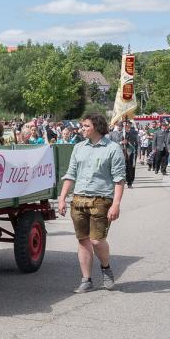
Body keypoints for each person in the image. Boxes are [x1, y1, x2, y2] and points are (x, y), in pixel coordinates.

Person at [57, 114, 126, 293]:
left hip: (101, 200)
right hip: (79, 199)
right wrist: (62, 197)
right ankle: (86, 279)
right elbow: (71, 174)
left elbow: (119, 180)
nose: (82, 129)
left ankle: (105, 268)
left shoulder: (113, 148)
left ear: (96, 127)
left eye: (86, 126)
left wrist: (116, 204)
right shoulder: (79, 147)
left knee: (96, 240)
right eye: (82, 126)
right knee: (83, 240)